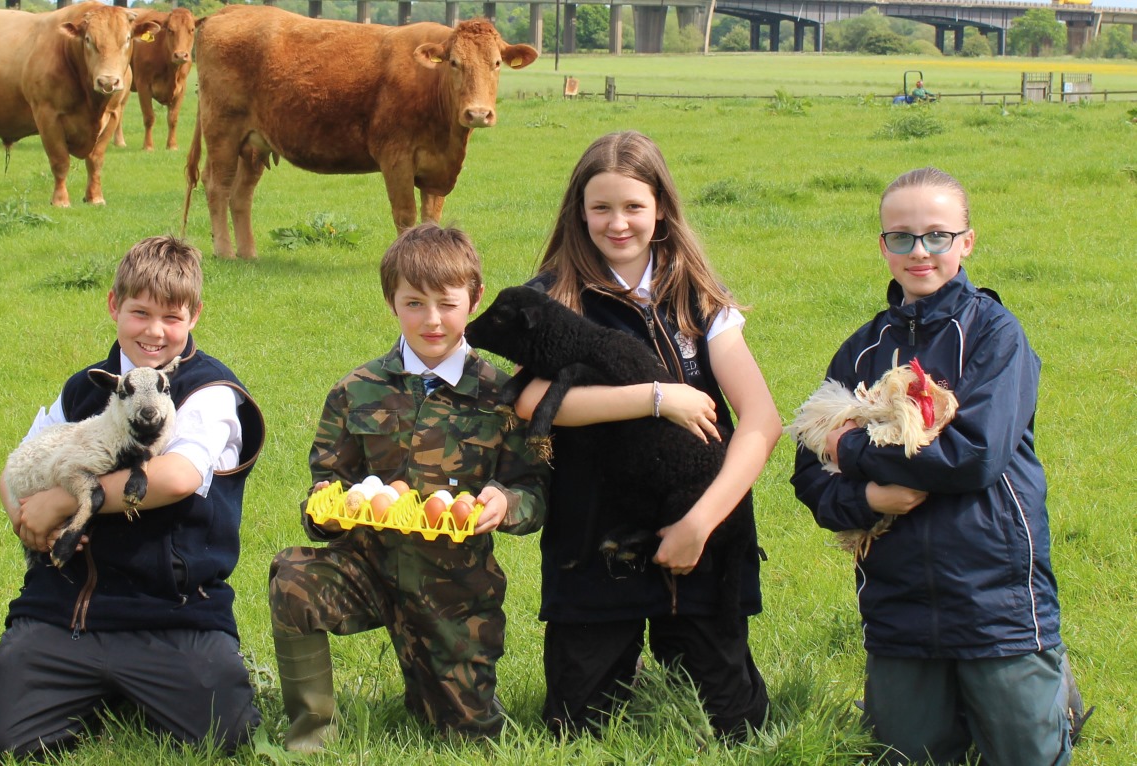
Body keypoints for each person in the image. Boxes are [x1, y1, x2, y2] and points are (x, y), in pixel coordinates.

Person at [789, 167, 1072, 765]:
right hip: (899, 605)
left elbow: (973, 457)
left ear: (966, 241)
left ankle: (1051, 699)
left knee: (1026, 755)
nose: (919, 251)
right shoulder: (862, 350)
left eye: (937, 235)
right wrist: (868, 501)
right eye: (902, 236)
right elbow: (809, 473)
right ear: (883, 246)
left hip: (995, 599)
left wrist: (853, 451)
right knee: (902, 756)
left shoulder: (996, 334)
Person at [515, 131, 782, 739]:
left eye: (633, 206)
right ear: (579, 211)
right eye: (601, 207)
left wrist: (701, 524)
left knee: (735, 727)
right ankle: (617, 660)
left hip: (700, 532)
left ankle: (680, 651)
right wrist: (656, 398)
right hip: (596, 538)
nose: (617, 223)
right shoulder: (553, 296)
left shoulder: (699, 300)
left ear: (660, 208)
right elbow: (530, 400)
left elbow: (762, 421)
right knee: (577, 729)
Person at [0, 236, 266, 759]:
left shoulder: (209, 389)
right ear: (114, 306)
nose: (154, 331)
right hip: (70, 610)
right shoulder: (84, 389)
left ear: (194, 315)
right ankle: (94, 687)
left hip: (172, 613)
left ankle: (138, 688)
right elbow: (14, 472)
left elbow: (178, 476)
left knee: (227, 734)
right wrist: (27, 519)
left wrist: (66, 502)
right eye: (140, 313)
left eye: (171, 317)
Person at [268, 223, 548, 751]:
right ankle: (310, 736)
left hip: (453, 591)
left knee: (468, 737)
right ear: (391, 302)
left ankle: (433, 685)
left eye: (447, 303)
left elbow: (534, 489)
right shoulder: (356, 391)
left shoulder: (503, 396)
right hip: (368, 568)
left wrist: (506, 503)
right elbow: (327, 480)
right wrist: (326, 509)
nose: (432, 320)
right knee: (294, 577)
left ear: (475, 300)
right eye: (414, 303)